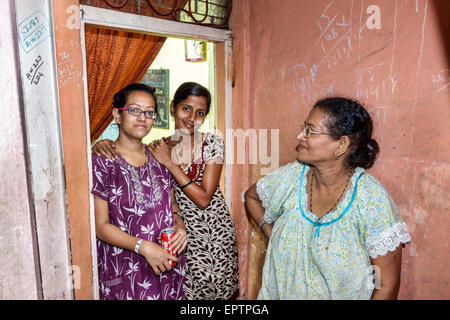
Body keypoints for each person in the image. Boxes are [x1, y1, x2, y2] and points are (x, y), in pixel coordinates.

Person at [244, 97, 411, 300]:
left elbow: (386, 285)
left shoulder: (370, 199)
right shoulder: (291, 177)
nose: (299, 136)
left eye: (309, 131)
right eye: (303, 128)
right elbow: (252, 197)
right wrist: (274, 235)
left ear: (341, 145)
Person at [93, 82, 239, 300]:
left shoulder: (205, 144)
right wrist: (97, 142)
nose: (191, 118)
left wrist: (170, 165)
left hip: (205, 237)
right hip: (151, 252)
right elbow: (101, 224)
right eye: (186, 109)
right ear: (173, 109)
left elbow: (201, 199)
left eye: (200, 113)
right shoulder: (153, 148)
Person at [91, 83, 188, 300]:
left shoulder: (160, 156)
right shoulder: (103, 161)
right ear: (118, 114)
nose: (142, 117)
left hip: (166, 263)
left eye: (149, 112)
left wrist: (180, 228)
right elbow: (101, 226)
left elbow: (172, 205)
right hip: (127, 270)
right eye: (134, 110)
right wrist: (143, 247)